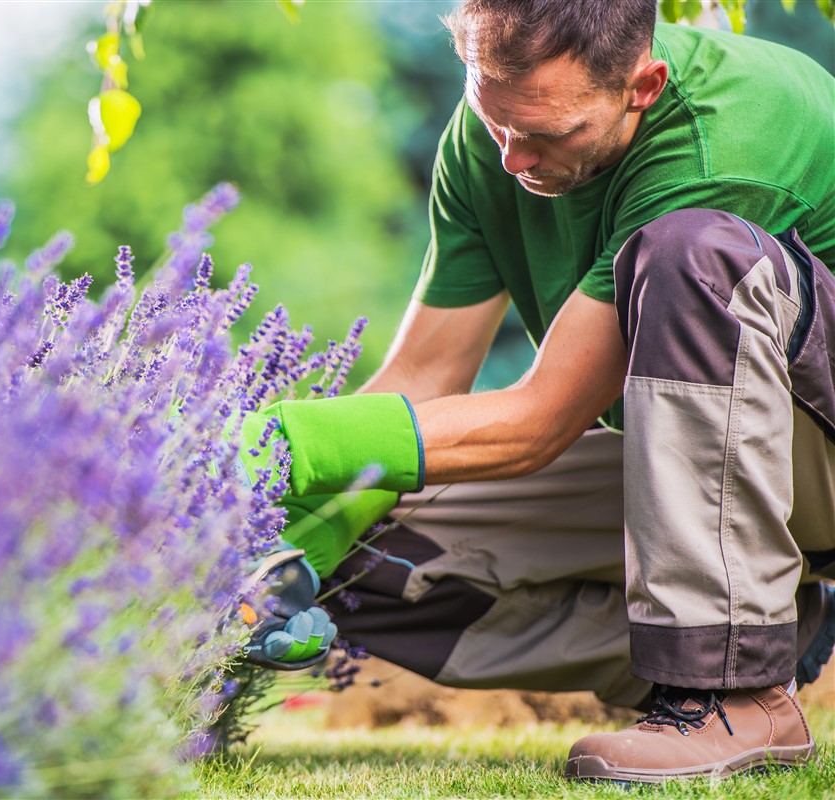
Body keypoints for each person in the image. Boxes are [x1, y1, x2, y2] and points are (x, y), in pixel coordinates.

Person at [243, 0, 835, 785]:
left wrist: (289, 440)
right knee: (372, 562)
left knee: (695, 253)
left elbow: (543, 419)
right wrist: (286, 541)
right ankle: (778, 628)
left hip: (814, 452)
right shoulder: (500, 131)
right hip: (711, 466)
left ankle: (732, 691)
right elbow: (421, 381)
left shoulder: (727, 140)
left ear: (643, 85)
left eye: (550, 135)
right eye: (497, 123)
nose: (515, 160)